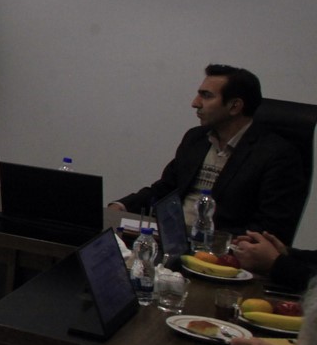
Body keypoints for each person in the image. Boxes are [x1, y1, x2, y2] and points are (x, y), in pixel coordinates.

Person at [110, 65, 305, 239]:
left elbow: (271, 228)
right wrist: (122, 206)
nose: (195, 103)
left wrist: (209, 239)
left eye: (206, 96)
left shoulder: (276, 155)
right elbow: (165, 189)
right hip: (171, 240)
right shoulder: (196, 139)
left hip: (220, 251)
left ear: (235, 106)